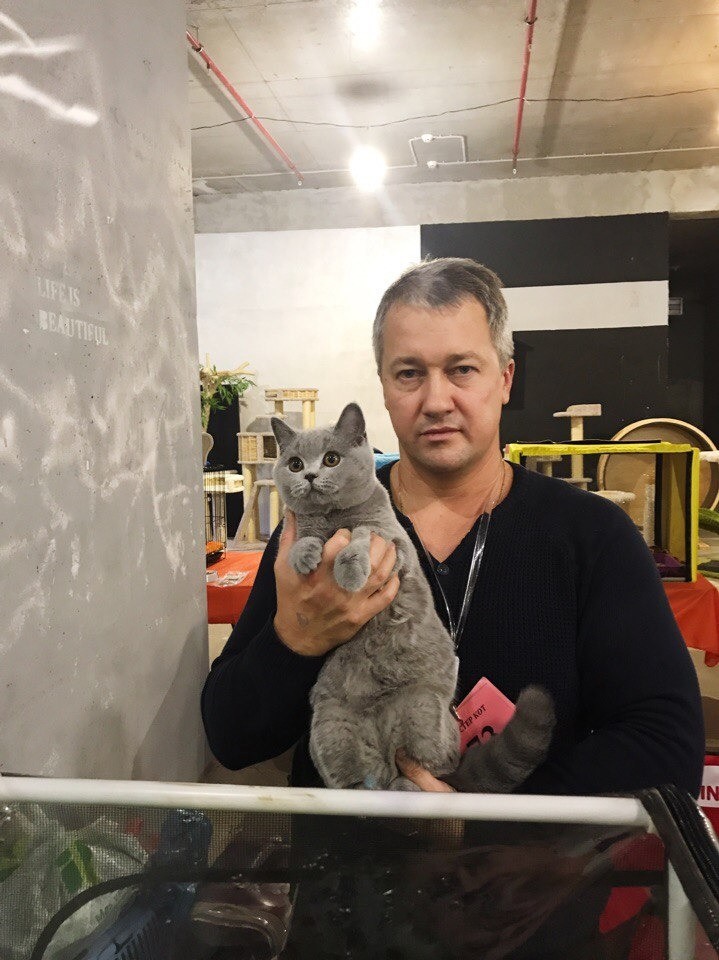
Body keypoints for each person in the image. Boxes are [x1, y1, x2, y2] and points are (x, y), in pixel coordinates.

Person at [201, 257, 704, 798]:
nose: (437, 401)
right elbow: (230, 736)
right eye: (409, 373)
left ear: (505, 378)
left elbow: (667, 748)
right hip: (346, 847)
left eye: (462, 369)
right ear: (384, 387)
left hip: (529, 854)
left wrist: (484, 821)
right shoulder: (316, 531)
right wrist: (296, 639)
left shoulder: (593, 535)